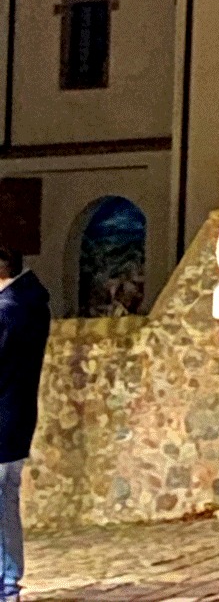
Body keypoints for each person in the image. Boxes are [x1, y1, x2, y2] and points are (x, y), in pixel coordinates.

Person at [0, 244, 52, 602]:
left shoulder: (8, 311)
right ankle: (8, 580)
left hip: (2, 423)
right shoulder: (30, 304)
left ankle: (6, 582)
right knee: (6, 502)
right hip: (15, 420)